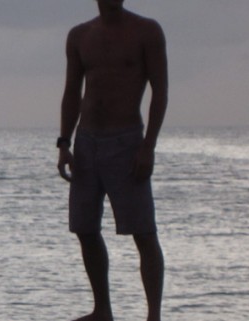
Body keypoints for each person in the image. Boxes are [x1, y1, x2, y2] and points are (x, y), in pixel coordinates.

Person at [57, 1, 168, 320]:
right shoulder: (80, 35)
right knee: (85, 228)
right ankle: (102, 309)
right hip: (87, 142)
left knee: (144, 232)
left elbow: (160, 92)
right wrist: (64, 143)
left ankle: (153, 315)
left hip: (127, 142)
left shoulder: (147, 31)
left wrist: (148, 146)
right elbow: (71, 92)